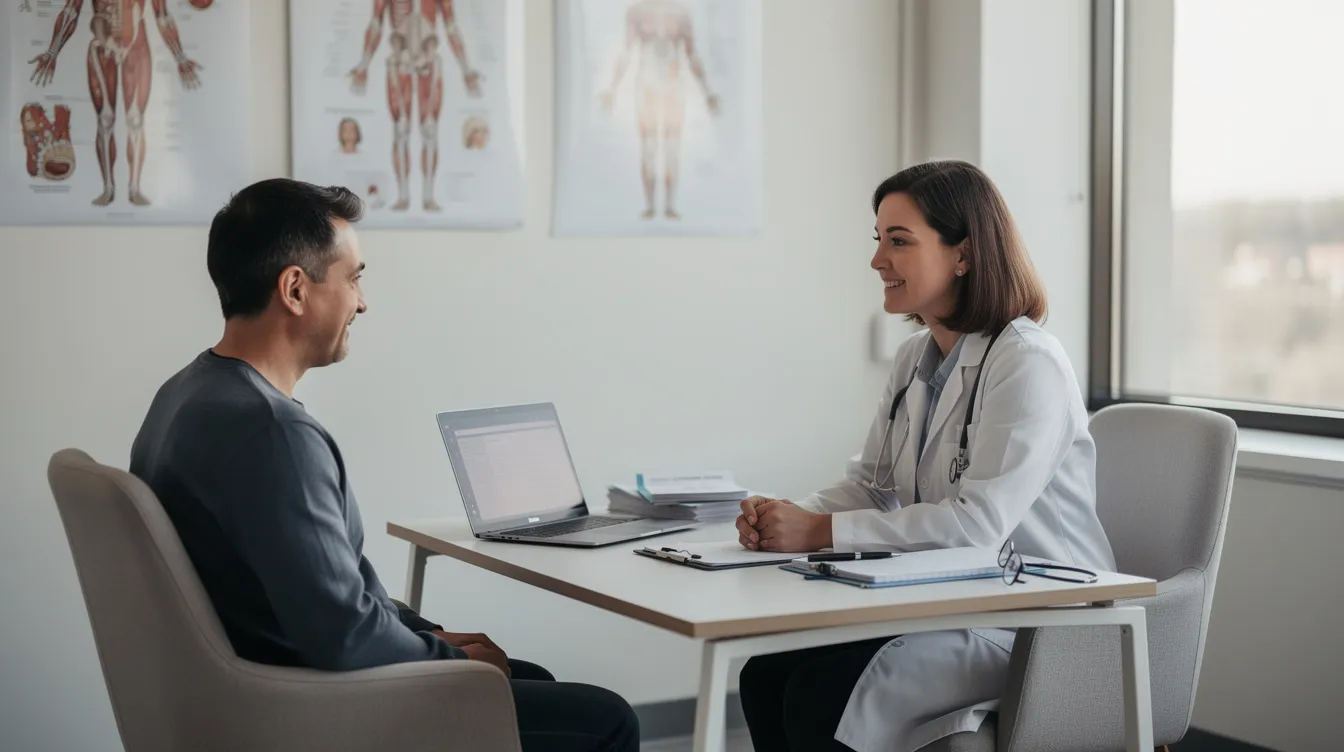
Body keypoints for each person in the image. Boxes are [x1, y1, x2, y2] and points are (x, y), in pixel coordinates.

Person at [129, 178, 639, 752]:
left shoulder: (185, 395)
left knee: (530, 680)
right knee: (608, 718)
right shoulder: (273, 434)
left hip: (262, 683)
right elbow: (342, 637)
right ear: (295, 289)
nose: (363, 301)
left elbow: (322, 595)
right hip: (320, 707)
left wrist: (426, 635)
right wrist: (445, 657)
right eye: (354, 278)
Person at [733, 160, 1116, 752]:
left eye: (899, 241)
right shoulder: (916, 357)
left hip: (1039, 620)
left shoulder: (1027, 362)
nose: (877, 260)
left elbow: (976, 526)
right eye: (879, 240)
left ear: (962, 254)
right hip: (948, 603)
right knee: (765, 674)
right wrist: (785, 517)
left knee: (818, 692)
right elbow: (872, 484)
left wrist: (816, 532)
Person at [600, 0, 719, 220]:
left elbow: (692, 55)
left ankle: (670, 206)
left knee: (672, 148)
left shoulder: (682, 13)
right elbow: (625, 52)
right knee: (648, 148)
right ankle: (650, 205)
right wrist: (612, 89)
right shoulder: (636, 12)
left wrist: (707, 92)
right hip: (646, 87)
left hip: (673, 87)